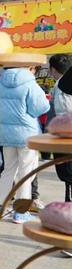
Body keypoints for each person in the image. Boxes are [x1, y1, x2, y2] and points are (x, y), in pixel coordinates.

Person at [0, 67, 49, 224]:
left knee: (8, 170)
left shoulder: (0, 82)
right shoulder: (29, 83)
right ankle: (20, 212)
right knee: (26, 174)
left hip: (5, 133)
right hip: (27, 134)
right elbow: (41, 107)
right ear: (28, 67)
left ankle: (1, 208)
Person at [48, 54, 72, 203]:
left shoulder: (60, 85)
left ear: (52, 69)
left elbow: (63, 109)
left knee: (66, 169)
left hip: (64, 132)